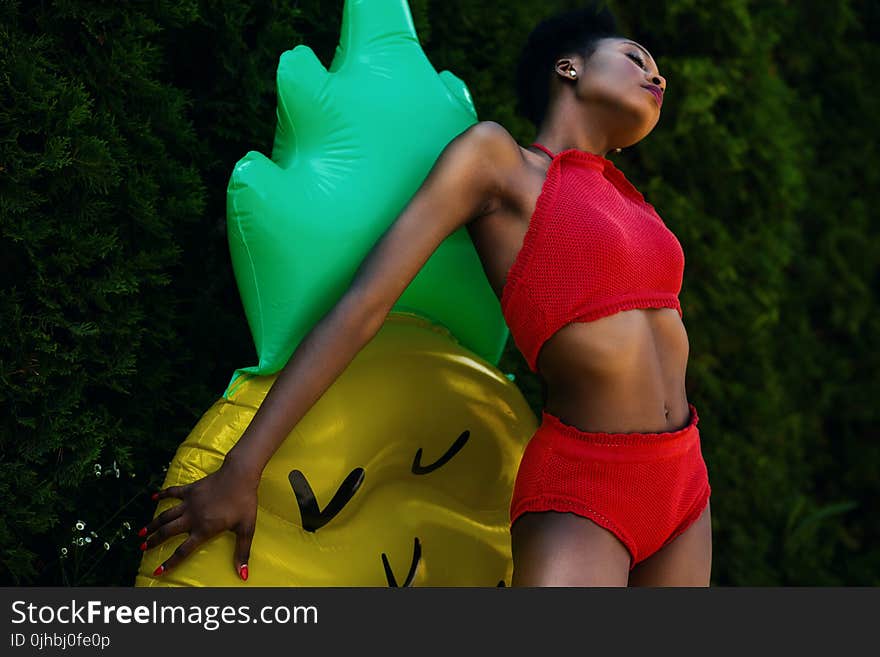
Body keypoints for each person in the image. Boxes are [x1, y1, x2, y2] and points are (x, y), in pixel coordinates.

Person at [138, 3, 712, 587]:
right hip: (587, 481)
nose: (657, 77)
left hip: (684, 479)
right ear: (569, 68)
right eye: (636, 58)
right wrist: (243, 468)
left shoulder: (636, 204)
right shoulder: (499, 160)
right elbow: (366, 303)